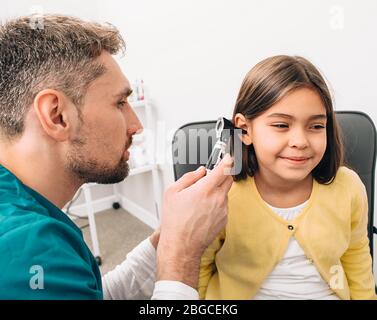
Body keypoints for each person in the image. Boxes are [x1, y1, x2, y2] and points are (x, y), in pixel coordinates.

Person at [0, 14, 234, 299]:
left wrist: (170, 236)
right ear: (57, 115)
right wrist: (183, 252)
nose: (137, 126)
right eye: (120, 102)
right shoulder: (26, 250)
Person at [198, 55, 377, 300]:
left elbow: (356, 256)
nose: (300, 142)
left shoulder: (348, 187)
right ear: (245, 130)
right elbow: (197, 267)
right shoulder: (222, 195)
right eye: (282, 125)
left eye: (316, 126)